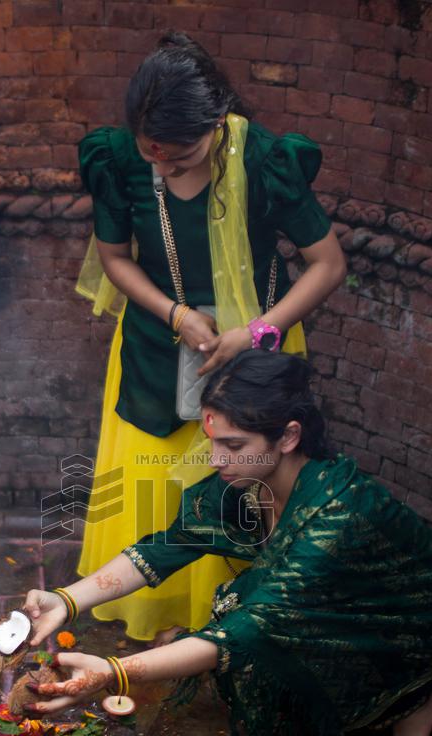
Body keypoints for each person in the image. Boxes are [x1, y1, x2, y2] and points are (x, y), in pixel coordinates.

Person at [23, 352, 432, 736]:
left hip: (422, 622)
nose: (216, 459)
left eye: (233, 444)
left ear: (288, 436)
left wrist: (113, 673)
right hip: (347, 601)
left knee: (255, 634)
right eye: (213, 442)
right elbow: (168, 547)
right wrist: (66, 600)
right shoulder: (245, 481)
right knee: (255, 635)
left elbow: (247, 631)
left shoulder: (336, 514)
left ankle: (420, 695)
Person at [75, 31, 347, 643]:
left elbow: (327, 265)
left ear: (218, 121)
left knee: (242, 479)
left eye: (181, 157)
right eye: (154, 157)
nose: (164, 169)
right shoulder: (118, 158)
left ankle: (229, 623)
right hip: (157, 341)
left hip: (258, 346)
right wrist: (177, 316)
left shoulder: (266, 161)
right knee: (155, 479)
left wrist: (254, 332)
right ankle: (165, 616)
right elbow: (115, 258)